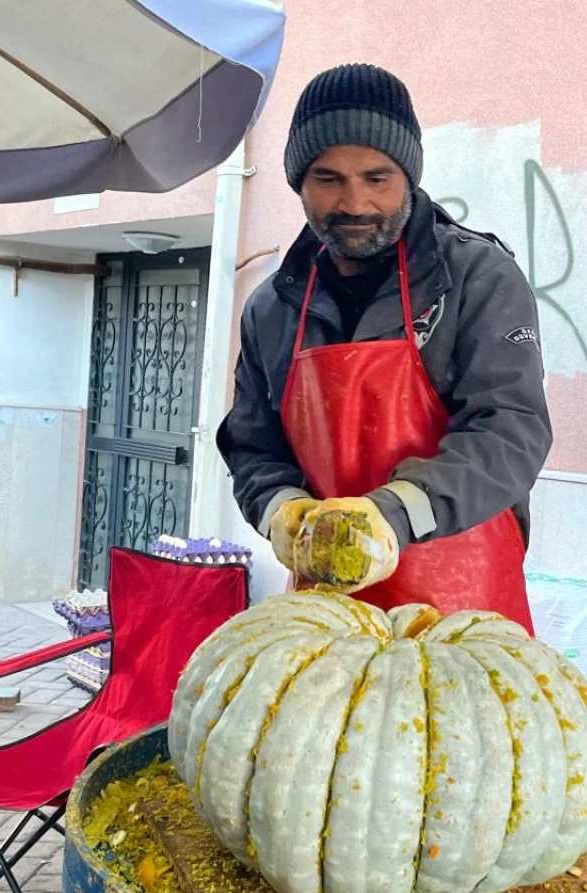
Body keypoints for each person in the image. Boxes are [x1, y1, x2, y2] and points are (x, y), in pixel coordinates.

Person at [217, 63, 551, 631]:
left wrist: (388, 517)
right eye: (327, 178)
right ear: (299, 182)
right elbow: (253, 447)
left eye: (377, 177)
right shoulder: (271, 308)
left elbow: (510, 430)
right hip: (326, 610)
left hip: (461, 601)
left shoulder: (476, 277)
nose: (354, 203)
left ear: (409, 175)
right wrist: (281, 511)